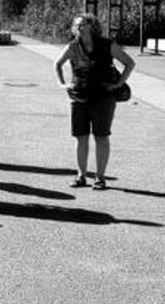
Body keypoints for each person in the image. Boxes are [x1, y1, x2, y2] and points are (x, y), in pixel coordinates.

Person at [53, 13, 135, 190]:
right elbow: (57, 64)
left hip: (103, 97)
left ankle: (100, 177)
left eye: (83, 24)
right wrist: (63, 84)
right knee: (80, 137)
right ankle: (81, 176)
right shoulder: (72, 46)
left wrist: (118, 84)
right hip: (79, 97)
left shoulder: (107, 45)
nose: (79, 27)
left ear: (92, 26)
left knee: (101, 137)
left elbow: (129, 63)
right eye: (76, 25)